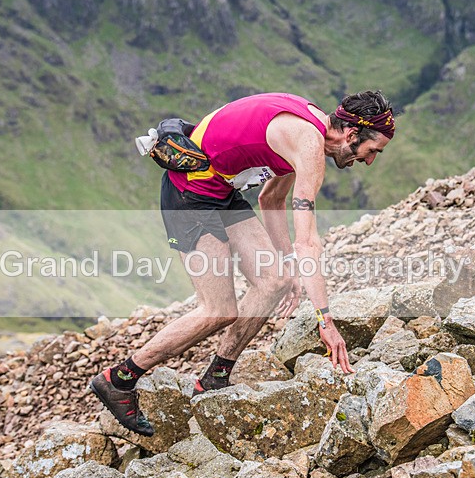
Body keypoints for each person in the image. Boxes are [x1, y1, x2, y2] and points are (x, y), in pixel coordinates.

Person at [91, 90, 395, 436]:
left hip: (219, 189)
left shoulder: (309, 127)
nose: (370, 161)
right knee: (217, 310)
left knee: (275, 281)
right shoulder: (309, 144)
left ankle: (215, 377)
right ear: (352, 134)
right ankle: (119, 379)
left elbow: (271, 198)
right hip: (188, 191)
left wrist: (289, 269)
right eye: (373, 152)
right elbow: (308, 240)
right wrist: (325, 320)